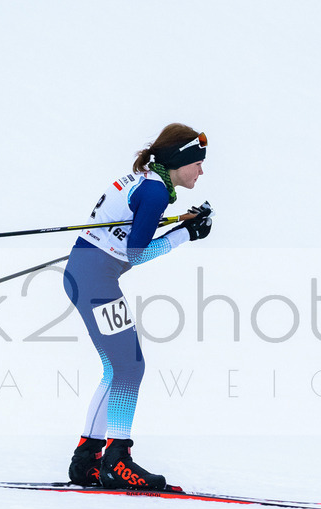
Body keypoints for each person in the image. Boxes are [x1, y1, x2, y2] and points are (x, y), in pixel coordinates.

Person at [62, 123, 212, 489]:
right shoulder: (156, 192)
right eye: (198, 163)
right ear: (180, 161)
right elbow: (136, 253)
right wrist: (184, 235)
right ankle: (117, 460)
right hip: (96, 282)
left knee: (118, 369)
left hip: (86, 275)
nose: (201, 171)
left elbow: (126, 241)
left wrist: (181, 225)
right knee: (129, 368)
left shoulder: (146, 181)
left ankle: (88, 459)